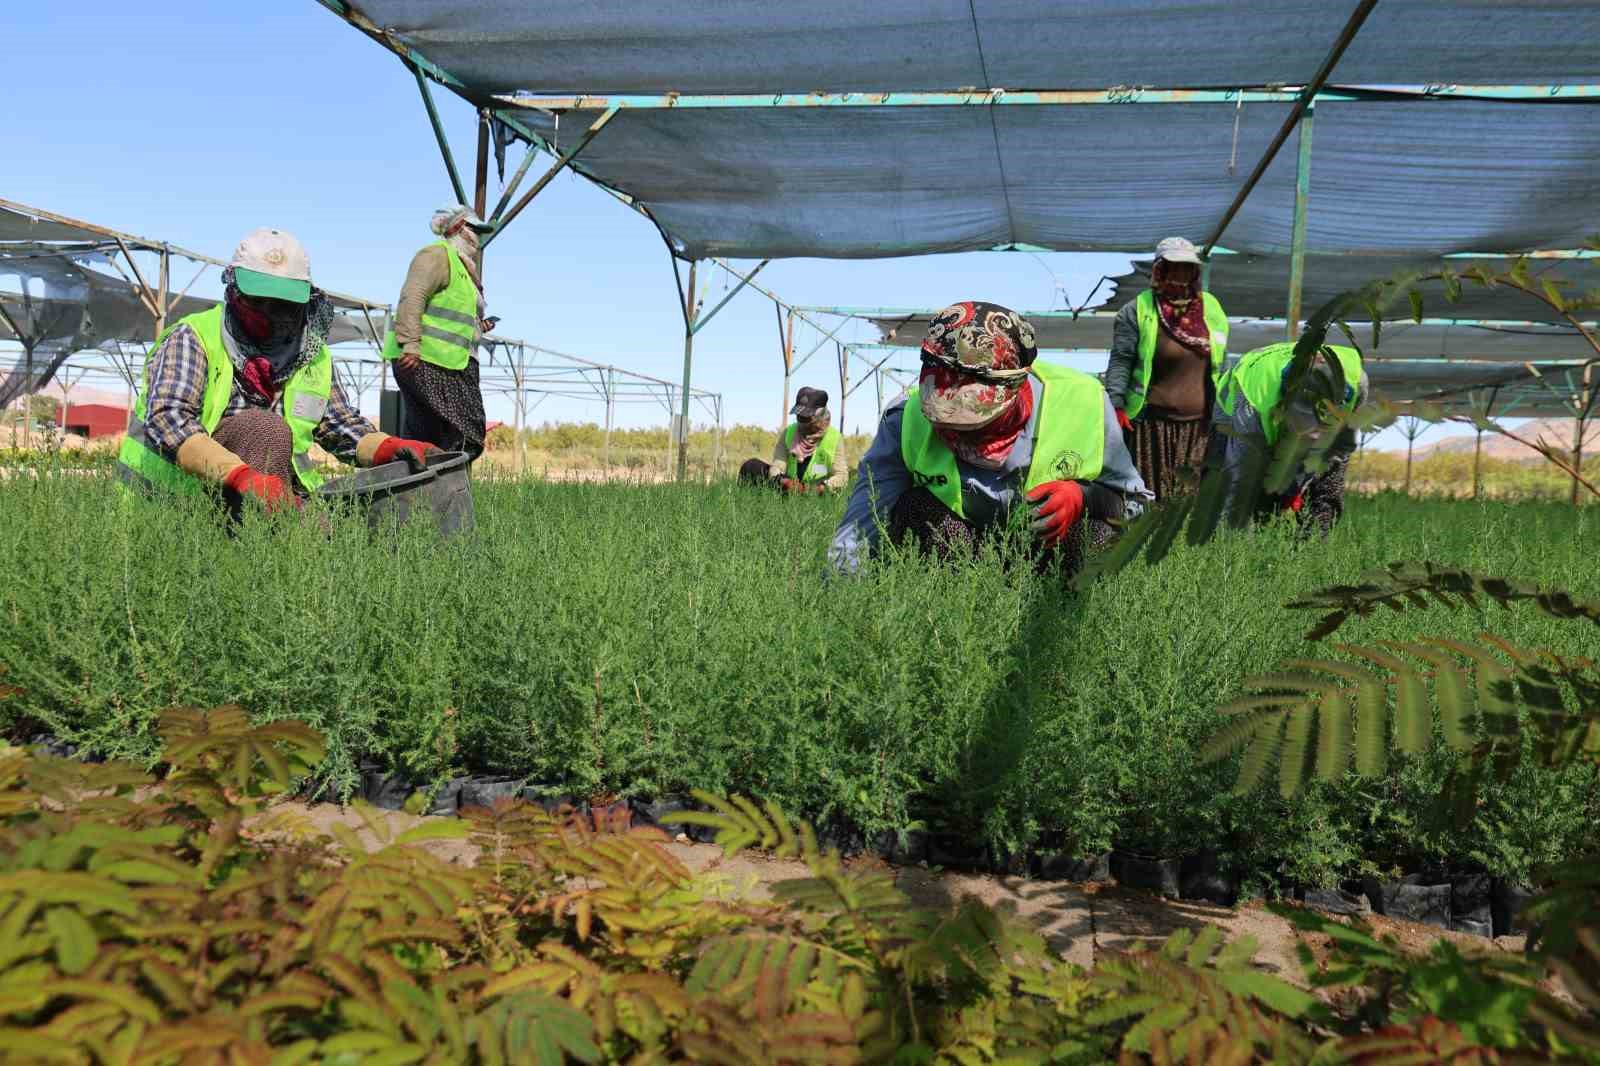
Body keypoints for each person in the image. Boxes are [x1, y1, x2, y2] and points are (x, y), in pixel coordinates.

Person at [118, 228, 435, 511]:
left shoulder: (312, 355)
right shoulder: (194, 338)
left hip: (270, 494)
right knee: (264, 428)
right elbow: (168, 419)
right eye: (259, 301)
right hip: (170, 499)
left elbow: (336, 423)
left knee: (328, 541)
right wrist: (240, 475)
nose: (271, 313)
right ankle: (253, 543)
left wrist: (385, 447)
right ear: (234, 292)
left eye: (283, 303)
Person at [830, 301, 1150, 575]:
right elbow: (862, 524)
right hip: (962, 556)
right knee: (914, 509)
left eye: (973, 422)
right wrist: (842, 595)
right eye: (945, 422)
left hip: (1048, 554)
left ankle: (1066, 619)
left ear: (1014, 389)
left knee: (1100, 534)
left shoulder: (1084, 403)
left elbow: (1136, 504)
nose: (956, 433)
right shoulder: (905, 419)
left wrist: (1085, 497)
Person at [1104, 236, 1230, 500]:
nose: (1181, 275)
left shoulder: (1211, 308)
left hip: (1201, 426)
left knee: (1191, 500)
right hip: (1151, 425)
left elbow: (1221, 361)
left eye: (1187, 268)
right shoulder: (1137, 310)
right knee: (1151, 499)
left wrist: (1226, 408)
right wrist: (1115, 405)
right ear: (1160, 269)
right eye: (1174, 267)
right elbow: (1121, 359)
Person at [1207, 341, 1370, 533]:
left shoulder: (1357, 382)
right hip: (1236, 395)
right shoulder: (1253, 405)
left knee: (1329, 472)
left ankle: (1312, 541)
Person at [382, 204, 495, 460]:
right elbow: (413, 295)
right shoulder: (436, 255)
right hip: (430, 360)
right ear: (458, 229)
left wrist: (479, 327)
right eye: (475, 230)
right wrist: (410, 342)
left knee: (427, 435)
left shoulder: (463, 268)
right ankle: (448, 490)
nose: (478, 238)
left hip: (448, 361)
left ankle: (420, 493)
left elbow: (453, 315)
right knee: (466, 432)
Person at [738, 387, 849, 494]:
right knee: (751, 466)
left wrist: (817, 489)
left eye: (806, 418)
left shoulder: (834, 438)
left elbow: (842, 476)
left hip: (817, 493)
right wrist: (782, 480)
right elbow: (777, 465)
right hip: (789, 488)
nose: (802, 422)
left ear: (820, 416)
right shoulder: (789, 432)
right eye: (799, 417)